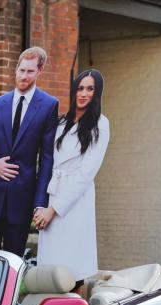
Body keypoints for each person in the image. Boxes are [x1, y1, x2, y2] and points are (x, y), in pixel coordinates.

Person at [0, 46, 59, 256]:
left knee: (14, 263)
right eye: (21, 70)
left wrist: (40, 203)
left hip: (22, 201)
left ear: (40, 71)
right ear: (16, 69)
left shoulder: (49, 105)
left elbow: (47, 160)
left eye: (30, 71)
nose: (24, 76)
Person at [33, 69, 110, 288]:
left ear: (97, 93)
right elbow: (46, 163)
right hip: (53, 192)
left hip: (75, 202)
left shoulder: (100, 124)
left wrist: (53, 209)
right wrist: (41, 205)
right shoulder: (60, 123)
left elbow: (86, 173)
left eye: (90, 89)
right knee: (50, 271)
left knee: (72, 270)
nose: (84, 94)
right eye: (80, 88)